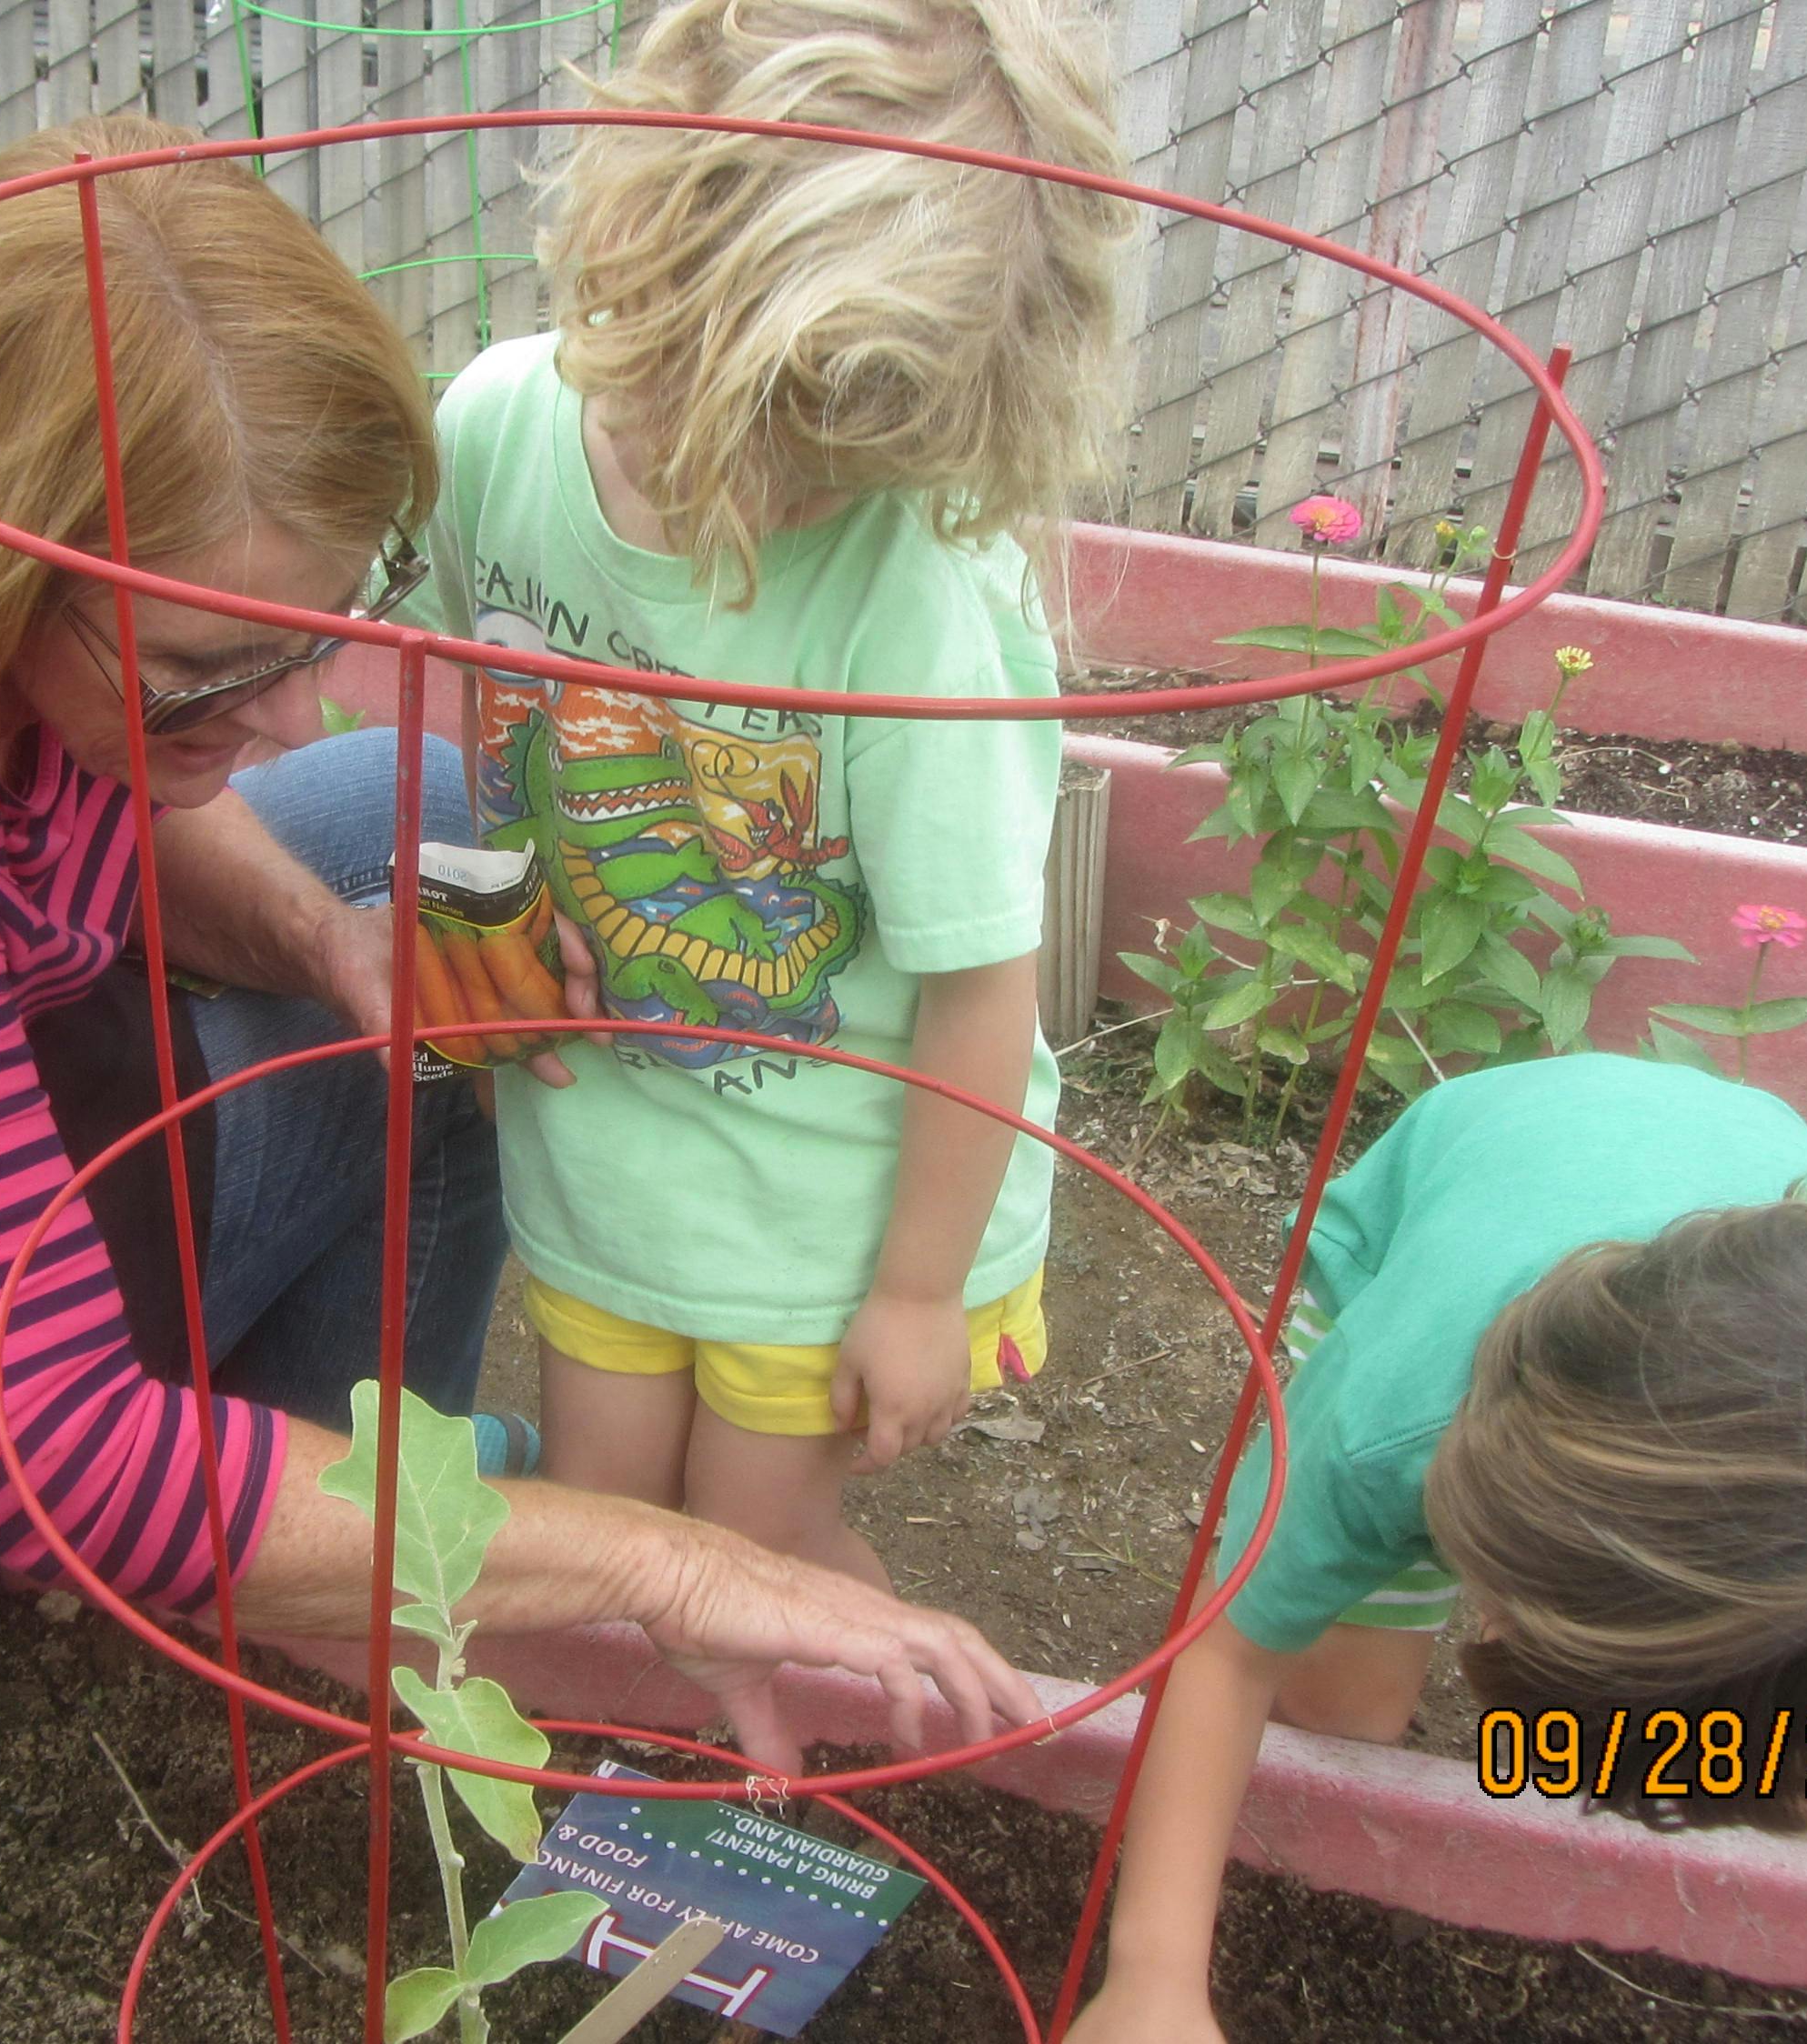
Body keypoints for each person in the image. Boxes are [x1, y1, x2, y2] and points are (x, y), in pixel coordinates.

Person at [0, 114, 1036, 1770]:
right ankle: (339, 1556)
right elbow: (46, 1456)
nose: (292, 716)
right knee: (400, 1061)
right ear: (0, 573)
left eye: (308, 634)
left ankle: (326, 1505)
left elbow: (169, 786)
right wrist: (674, 1561)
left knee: (422, 861)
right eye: (202, 675)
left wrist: (332, 944)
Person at [406, 0, 1127, 1581]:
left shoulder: (918, 594)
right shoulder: (492, 437)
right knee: (603, 1514)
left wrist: (919, 1294)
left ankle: (820, 1739)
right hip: (605, 1149)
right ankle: (613, 1737)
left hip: (834, 1204)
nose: (781, 487)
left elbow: (981, 985)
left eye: (840, 449)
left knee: (757, 1545)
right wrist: (485, 930)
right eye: (751, 410)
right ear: (643, 238)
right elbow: (477, 704)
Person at [1068, 1056, 1807, 2041]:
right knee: (1343, 1710)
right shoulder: (1380, 1426)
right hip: (1457, 1177)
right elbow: (1225, 1651)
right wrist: (1152, 1979)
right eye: (1512, 1602)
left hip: (1713, 1162)